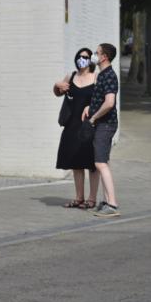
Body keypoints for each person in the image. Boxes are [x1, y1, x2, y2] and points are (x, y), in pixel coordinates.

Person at [54, 47, 99, 209]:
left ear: (90, 60)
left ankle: (92, 199)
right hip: (72, 125)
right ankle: (79, 197)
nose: (82, 59)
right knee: (76, 163)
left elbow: (102, 99)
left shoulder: (95, 77)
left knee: (92, 163)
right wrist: (57, 85)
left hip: (90, 125)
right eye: (80, 56)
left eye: (86, 57)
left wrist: (91, 108)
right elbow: (59, 92)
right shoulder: (71, 76)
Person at [82, 43, 120, 217]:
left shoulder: (109, 76)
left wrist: (94, 117)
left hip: (105, 124)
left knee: (100, 163)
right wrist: (90, 107)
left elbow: (109, 102)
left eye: (97, 53)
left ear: (104, 57)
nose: (93, 56)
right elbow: (100, 99)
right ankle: (106, 201)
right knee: (102, 161)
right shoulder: (102, 75)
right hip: (101, 123)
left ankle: (112, 204)